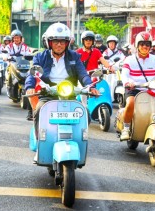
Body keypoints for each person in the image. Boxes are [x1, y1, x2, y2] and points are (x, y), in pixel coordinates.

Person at [24, 22, 99, 159]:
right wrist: (29, 87)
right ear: (49, 42)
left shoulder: (74, 56)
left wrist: (91, 87)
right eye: (55, 41)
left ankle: (77, 139)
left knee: (85, 113)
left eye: (63, 41)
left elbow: (82, 74)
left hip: (69, 93)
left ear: (67, 43)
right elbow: (32, 73)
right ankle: (40, 143)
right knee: (40, 110)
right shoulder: (40, 57)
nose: (59, 44)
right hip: (48, 93)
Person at [120, 31, 155, 140]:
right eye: (142, 44)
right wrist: (127, 83)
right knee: (130, 102)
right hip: (134, 89)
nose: (145, 47)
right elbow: (124, 75)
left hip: (151, 89)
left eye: (147, 44)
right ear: (137, 45)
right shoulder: (129, 60)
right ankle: (126, 128)